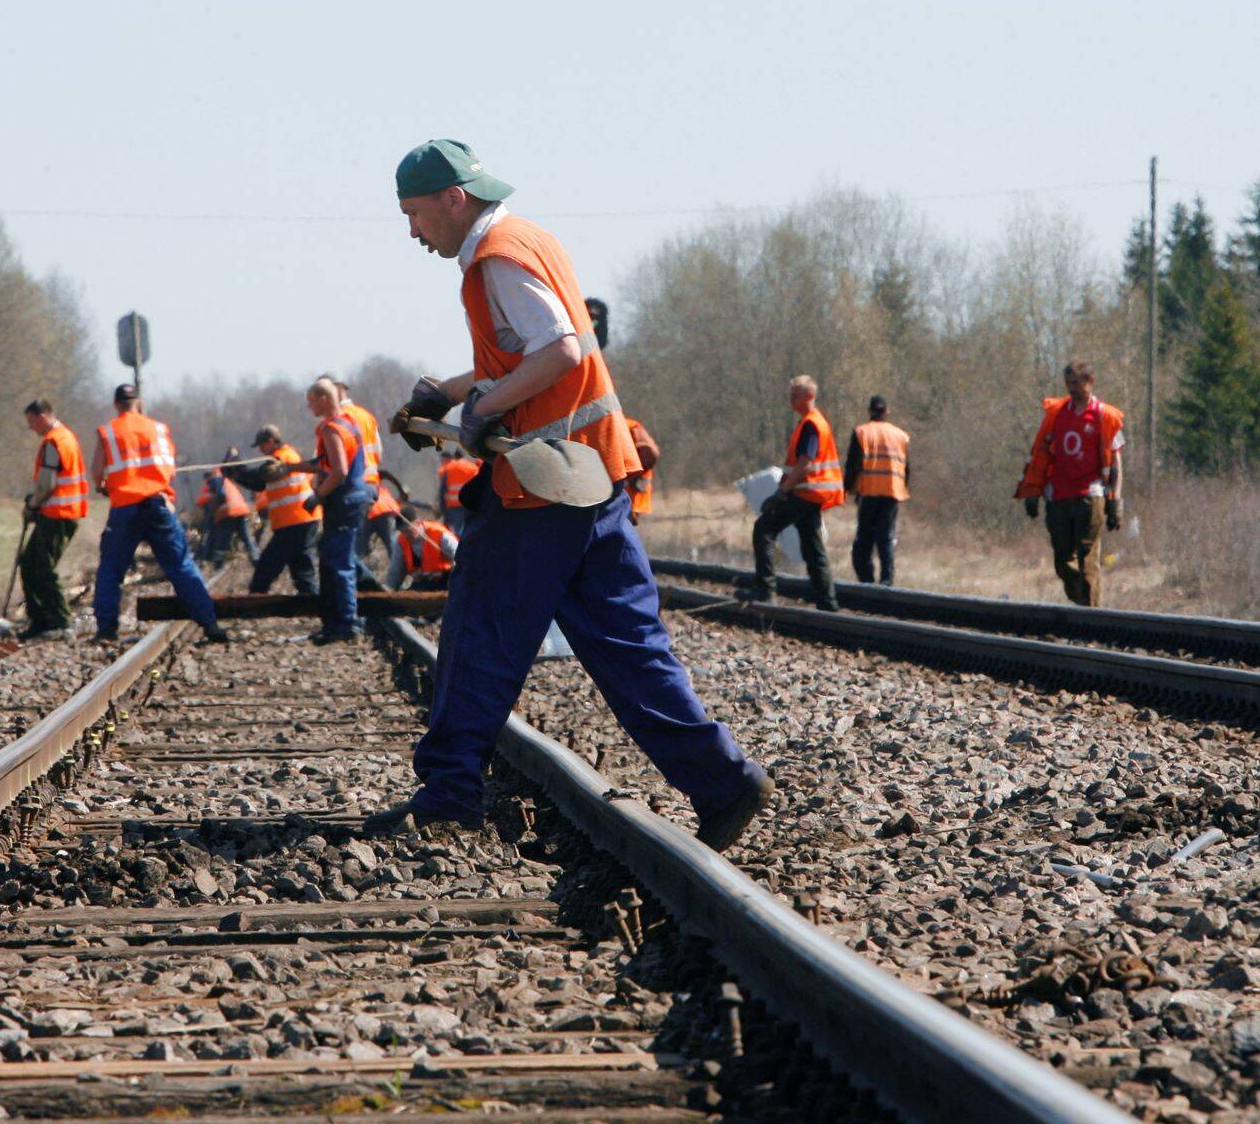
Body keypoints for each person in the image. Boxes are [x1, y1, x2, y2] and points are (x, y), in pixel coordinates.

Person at [382, 139, 770, 851]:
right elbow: (533, 349)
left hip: (542, 488)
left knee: (480, 633)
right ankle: (722, 780)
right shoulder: (530, 240)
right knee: (629, 644)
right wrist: (450, 389)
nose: (412, 231)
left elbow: (559, 350)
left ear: (451, 200)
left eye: (414, 214)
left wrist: (482, 408)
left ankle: (449, 793)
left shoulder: (496, 256)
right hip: (595, 478)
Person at [89, 383, 228, 644]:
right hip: (158, 505)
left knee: (110, 570)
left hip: (124, 508)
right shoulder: (160, 430)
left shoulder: (109, 431)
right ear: (138, 403)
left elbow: (97, 471)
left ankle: (106, 630)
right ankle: (210, 624)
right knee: (181, 565)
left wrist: (105, 488)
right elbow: (170, 469)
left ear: (117, 404)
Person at [1015, 360, 1125, 607]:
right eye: (1068, 384)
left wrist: (1116, 500)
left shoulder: (1105, 415)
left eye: (1076, 383)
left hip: (1091, 495)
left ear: (1089, 382)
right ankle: (1081, 601)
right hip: (1059, 497)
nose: (1071, 389)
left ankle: (1091, 620)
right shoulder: (1056, 414)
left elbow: (1116, 461)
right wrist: (1033, 492)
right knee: (1063, 561)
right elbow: (1041, 455)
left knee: (1088, 561)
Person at [744, 375, 844, 609]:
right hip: (810, 495)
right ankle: (828, 603)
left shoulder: (811, 424)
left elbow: (804, 463)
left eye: (794, 395)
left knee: (764, 528)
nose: (790, 400)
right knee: (813, 547)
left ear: (807, 396)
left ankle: (765, 590)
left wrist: (781, 492)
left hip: (806, 493)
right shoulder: (814, 421)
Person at [308, 378, 373, 643]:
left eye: (310, 400)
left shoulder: (331, 428)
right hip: (354, 498)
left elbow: (338, 471)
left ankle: (347, 624)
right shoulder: (349, 423)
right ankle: (335, 622)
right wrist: (289, 469)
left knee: (340, 563)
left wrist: (317, 496)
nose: (307, 406)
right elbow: (327, 463)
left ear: (324, 399)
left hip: (343, 501)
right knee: (332, 558)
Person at [19, 399, 87, 640]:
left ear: (43, 416)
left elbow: (47, 484)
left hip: (58, 514)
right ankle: (41, 619)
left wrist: (32, 504)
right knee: (29, 564)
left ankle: (58, 620)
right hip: (63, 513)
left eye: (32, 422)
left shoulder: (53, 442)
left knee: (41, 567)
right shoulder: (67, 438)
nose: (32, 428)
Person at [226, 424, 321, 594]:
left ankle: (255, 603)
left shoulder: (279, 458)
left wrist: (235, 466)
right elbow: (259, 484)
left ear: (270, 441)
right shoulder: (289, 454)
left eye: (262, 445)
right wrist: (236, 473)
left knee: (266, 569)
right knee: (302, 572)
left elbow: (257, 477)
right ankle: (318, 606)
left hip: (293, 522)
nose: (261, 450)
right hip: (302, 520)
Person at [843, 396, 910, 586]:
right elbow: (906, 467)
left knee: (864, 539)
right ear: (887, 412)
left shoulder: (861, 432)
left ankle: (866, 582)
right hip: (892, 492)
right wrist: (903, 488)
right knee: (886, 538)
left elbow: (853, 465)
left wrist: (847, 488)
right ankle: (887, 583)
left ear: (869, 411)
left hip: (869, 492)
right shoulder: (900, 435)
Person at [198, 460, 260, 566]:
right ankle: (256, 558)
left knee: (222, 540)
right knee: (246, 536)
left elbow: (218, 497)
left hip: (227, 513)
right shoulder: (225, 480)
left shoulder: (215, 481)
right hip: (241, 510)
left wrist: (211, 512)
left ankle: (218, 564)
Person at [394, 506, 458, 590]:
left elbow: (462, 560)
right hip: (421, 583)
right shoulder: (401, 542)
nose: (405, 535)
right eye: (402, 532)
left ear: (417, 523)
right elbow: (395, 572)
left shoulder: (440, 534)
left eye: (407, 531)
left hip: (444, 582)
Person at [437, 446, 480, 537]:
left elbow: (442, 491)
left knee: (453, 534)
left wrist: (442, 509)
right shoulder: (473, 468)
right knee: (470, 532)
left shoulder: (447, 468)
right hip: (470, 506)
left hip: (453, 508)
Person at [623, 416, 658, 524]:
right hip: (627, 499)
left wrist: (632, 478)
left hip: (627, 498)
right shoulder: (628, 425)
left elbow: (650, 453)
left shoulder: (628, 426)